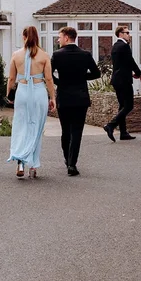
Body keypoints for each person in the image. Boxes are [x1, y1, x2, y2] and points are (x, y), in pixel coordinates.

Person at [6, 26, 56, 178]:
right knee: (36, 128)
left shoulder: (16, 55)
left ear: (23, 36)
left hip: (22, 91)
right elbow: (48, 78)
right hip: (39, 91)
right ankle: (33, 165)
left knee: (21, 127)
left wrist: (9, 94)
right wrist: (52, 97)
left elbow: (11, 78)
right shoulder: (44, 55)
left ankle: (20, 162)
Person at [51, 26, 100, 176]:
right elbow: (97, 73)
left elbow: (49, 74)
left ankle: (67, 159)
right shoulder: (85, 54)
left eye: (59, 37)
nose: (58, 40)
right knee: (77, 131)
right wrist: (81, 78)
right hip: (80, 96)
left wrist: (60, 82)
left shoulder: (57, 55)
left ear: (66, 37)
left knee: (65, 130)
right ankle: (72, 163)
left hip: (64, 96)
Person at [104, 24, 141, 142]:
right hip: (123, 80)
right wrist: (138, 73)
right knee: (129, 105)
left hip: (117, 79)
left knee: (122, 106)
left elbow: (120, 64)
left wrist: (129, 73)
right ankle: (111, 125)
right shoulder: (124, 46)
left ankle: (123, 132)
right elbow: (130, 61)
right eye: (127, 32)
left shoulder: (115, 46)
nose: (129, 35)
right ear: (120, 34)